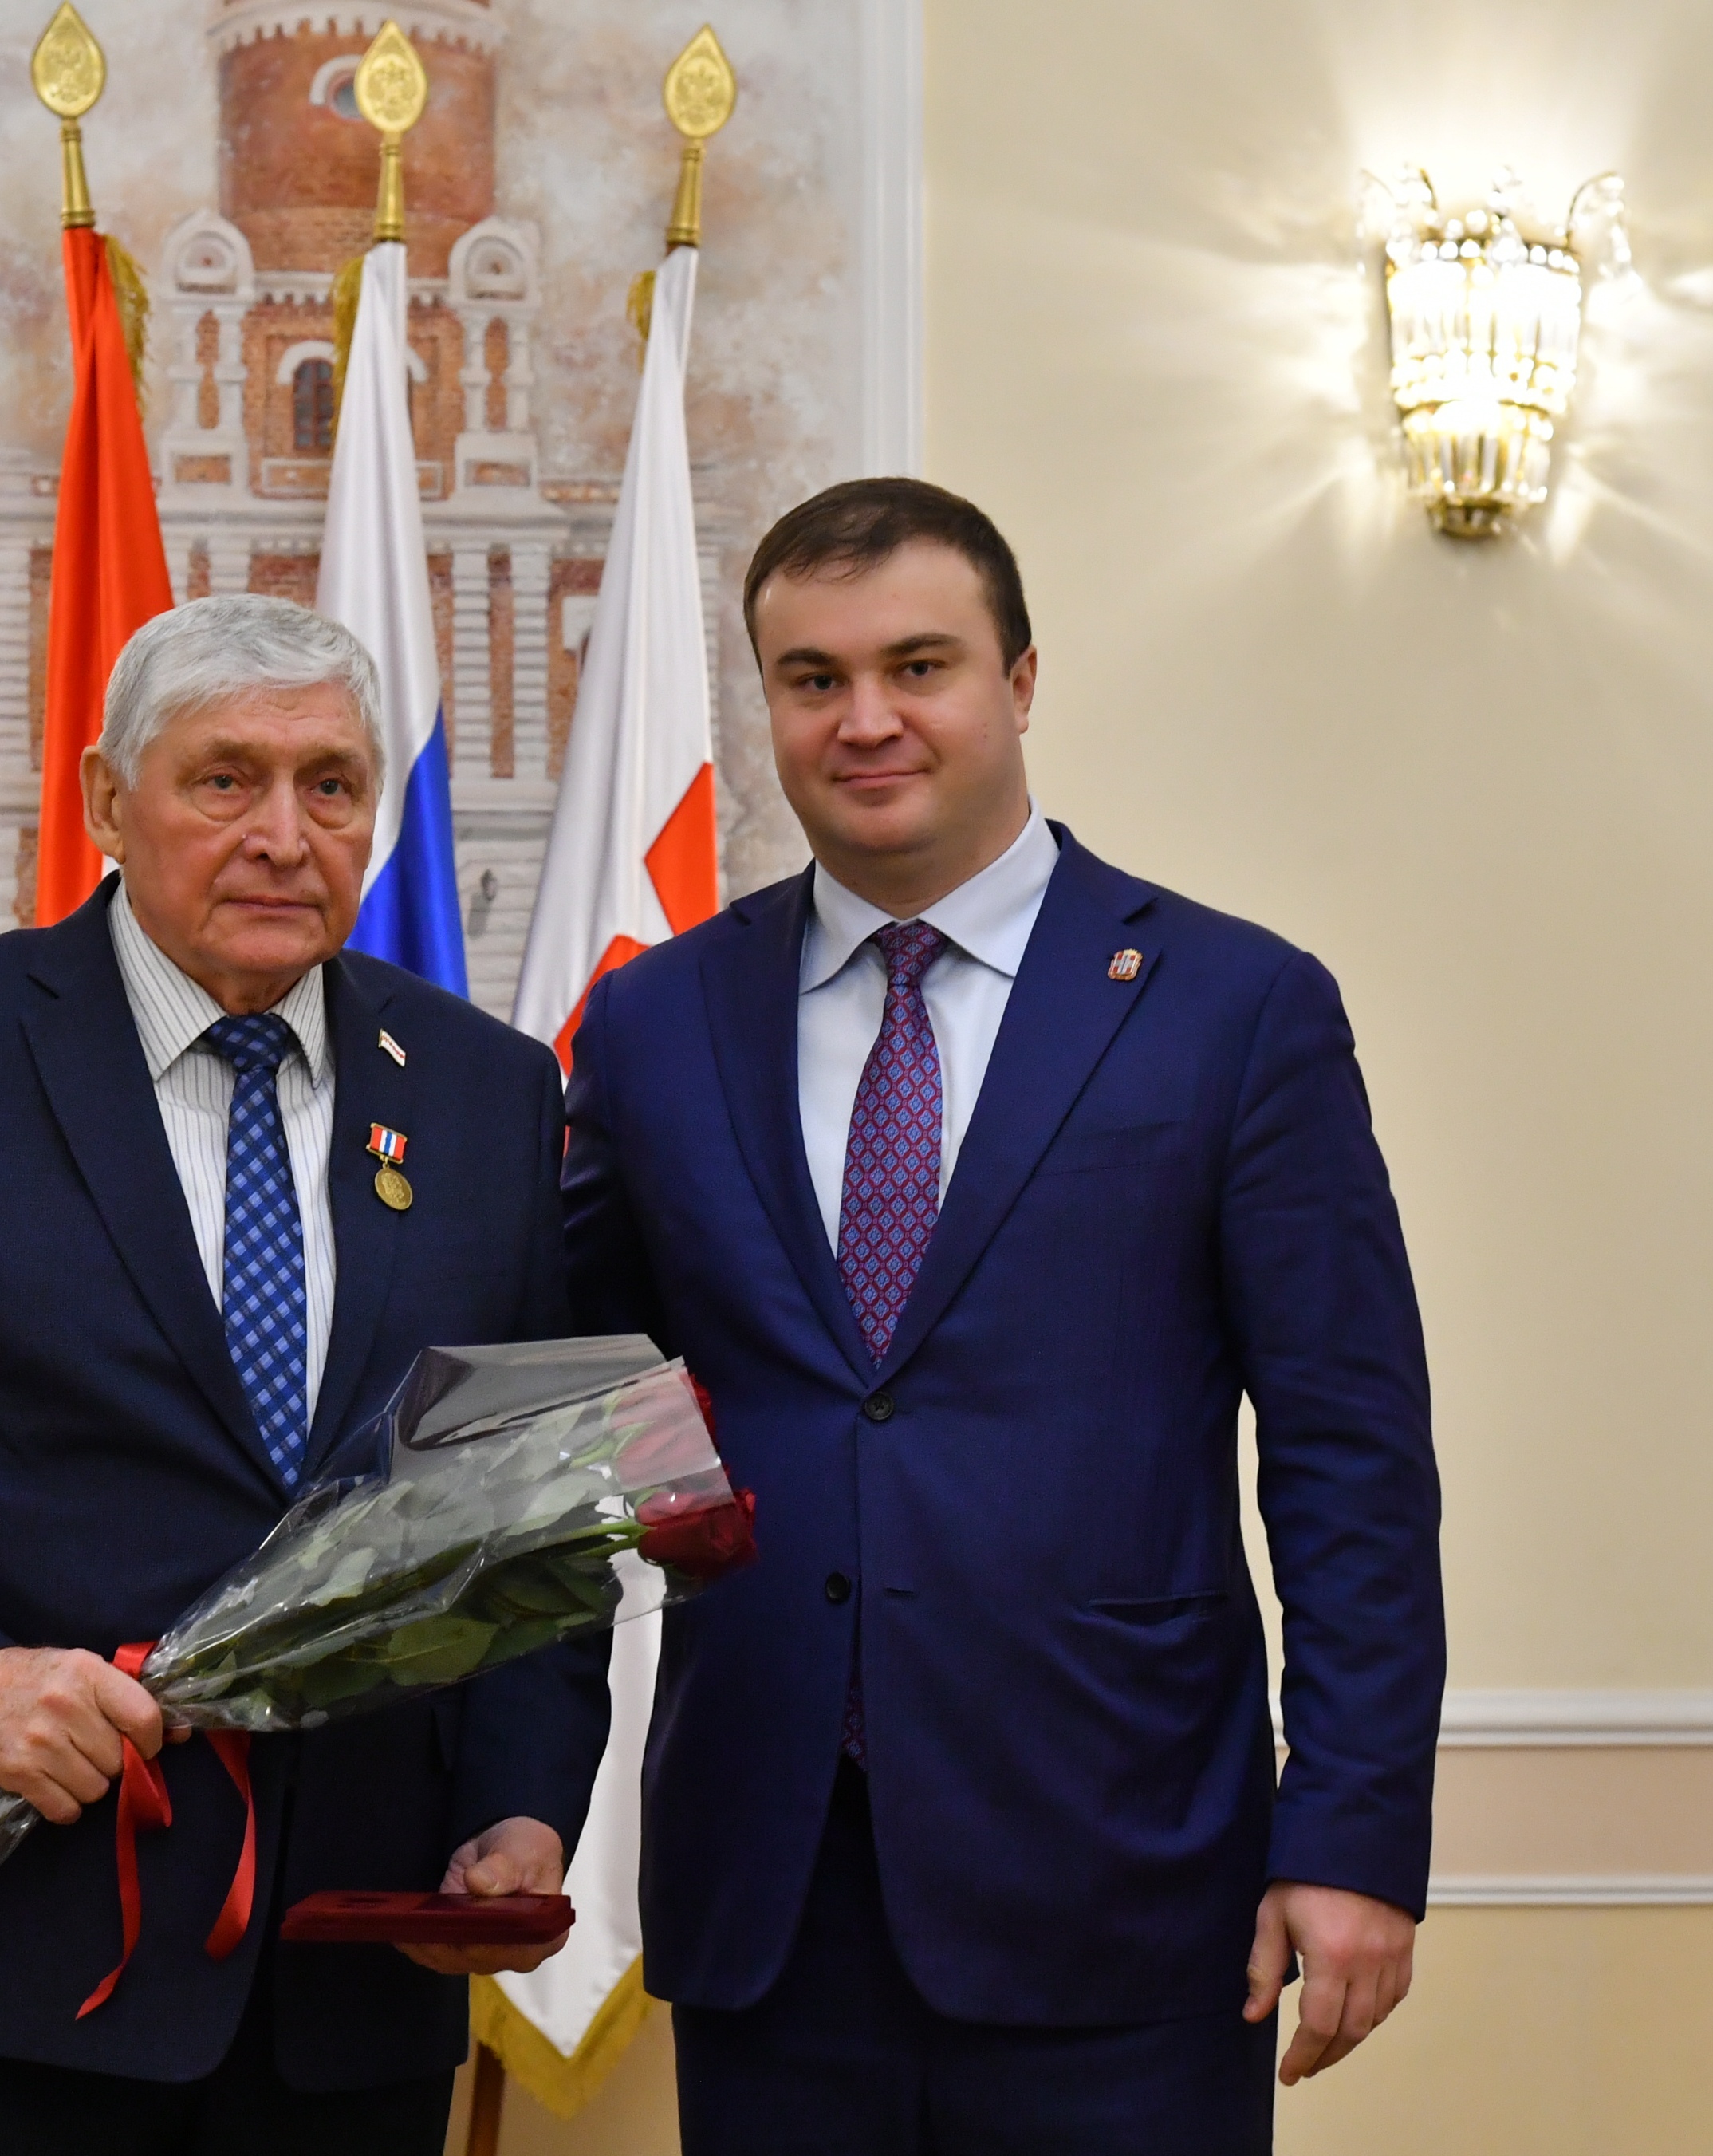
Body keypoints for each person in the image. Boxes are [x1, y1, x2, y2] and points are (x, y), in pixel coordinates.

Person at [0, 593, 611, 2155]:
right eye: (224, 779)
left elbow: (531, 1508)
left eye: (330, 785)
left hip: (348, 1978)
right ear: (108, 798)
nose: (283, 835)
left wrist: (518, 1802)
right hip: (1, 1961)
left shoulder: (484, 1090)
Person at [561, 479, 1444, 2153]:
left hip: (1122, 1881)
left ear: (1019, 680)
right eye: (813, 678)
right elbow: (579, 1406)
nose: (865, 718)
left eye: (918, 665)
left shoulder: (1232, 1008)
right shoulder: (657, 1022)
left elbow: (1351, 1462)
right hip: (769, 1892)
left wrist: (1352, 1831)